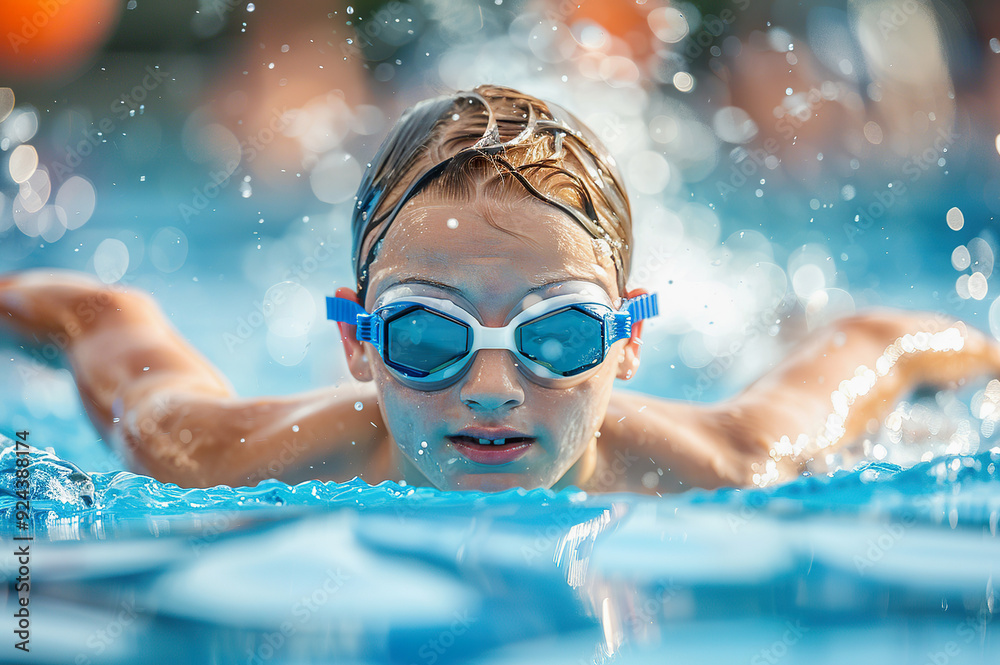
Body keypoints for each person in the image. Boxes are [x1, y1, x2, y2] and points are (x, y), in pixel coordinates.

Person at [1, 85, 998, 494]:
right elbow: (102, 315)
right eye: (428, 335)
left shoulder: (732, 459)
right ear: (357, 342)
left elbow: (879, 342)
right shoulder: (214, 451)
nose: (490, 388)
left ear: (626, 341)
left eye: (557, 335)